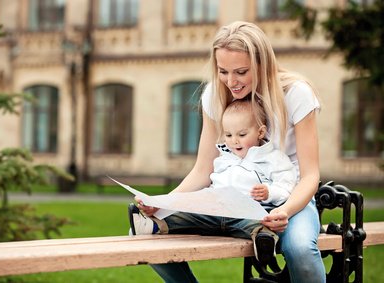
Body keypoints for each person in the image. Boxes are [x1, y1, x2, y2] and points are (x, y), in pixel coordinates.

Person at [134, 21, 325, 283]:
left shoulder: (296, 94)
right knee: (144, 232)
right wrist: (165, 202)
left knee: (301, 249)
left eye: (241, 71)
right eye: (223, 71)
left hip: (289, 198)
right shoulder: (215, 95)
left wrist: (286, 211)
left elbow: (310, 175)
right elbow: (204, 169)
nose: (231, 82)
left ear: (262, 64)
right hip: (231, 200)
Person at [129, 99, 297, 265]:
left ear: (260, 132)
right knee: (185, 214)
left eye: (242, 134)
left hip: (245, 213)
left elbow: (287, 185)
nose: (234, 140)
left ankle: (264, 242)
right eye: (228, 135)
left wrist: (269, 192)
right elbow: (211, 183)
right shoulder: (223, 157)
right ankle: (153, 225)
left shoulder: (273, 158)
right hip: (214, 213)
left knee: (257, 224)